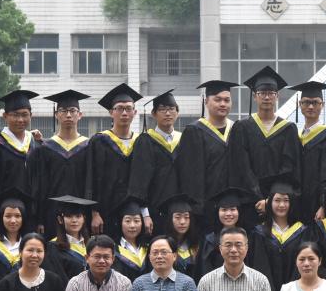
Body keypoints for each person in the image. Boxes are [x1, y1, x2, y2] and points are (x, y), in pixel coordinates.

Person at [230, 66, 302, 222]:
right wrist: (258, 197)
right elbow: (241, 166)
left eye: (271, 93)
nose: (267, 97)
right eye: (262, 93)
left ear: (277, 96)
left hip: (279, 203)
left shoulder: (288, 129)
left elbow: (289, 167)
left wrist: (271, 199)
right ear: (255, 96)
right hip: (249, 202)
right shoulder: (242, 127)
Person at [86, 83, 148, 241]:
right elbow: (91, 178)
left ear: (135, 112)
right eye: (119, 108)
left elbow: (145, 182)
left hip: (133, 215)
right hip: (105, 211)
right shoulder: (99, 141)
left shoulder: (141, 142)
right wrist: (94, 212)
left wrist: (145, 214)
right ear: (111, 112)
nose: (124, 113)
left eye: (128, 108)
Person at [27, 90, 92, 238]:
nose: (68, 115)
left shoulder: (89, 147)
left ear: (80, 115)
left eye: (73, 111)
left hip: (81, 214)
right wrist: (39, 218)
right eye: (63, 111)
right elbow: (39, 186)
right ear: (56, 115)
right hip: (51, 214)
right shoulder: (45, 149)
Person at [177, 80, 239, 232]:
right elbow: (189, 176)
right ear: (206, 101)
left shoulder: (238, 129)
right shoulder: (194, 131)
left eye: (227, 100)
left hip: (234, 208)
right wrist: (196, 209)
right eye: (217, 100)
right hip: (206, 210)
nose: (223, 104)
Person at [0, 89, 40, 231]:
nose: (20, 120)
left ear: (31, 116)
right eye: (15, 115)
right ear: (5, 116)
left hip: (31, 214)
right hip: (4, 215)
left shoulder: (36, 145)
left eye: (24, 115)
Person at [129, 89, 181, 234]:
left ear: (177, 113)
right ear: (153, 114)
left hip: (180, 212)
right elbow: (139, 181)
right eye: (162, 109)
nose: (168, 113)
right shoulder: (145, 141)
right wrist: (145, 214)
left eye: (171, 109)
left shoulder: (184, 140)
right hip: (155, 211)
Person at [288, 80, 326, 222]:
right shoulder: (296, 137)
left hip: (317, 207)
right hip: (296, 204)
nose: (310, 106)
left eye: (315, 102)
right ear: (300, 105)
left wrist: (324, 205)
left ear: (322, 105)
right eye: (306, 102)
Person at [196, 187, 254, 280]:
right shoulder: (210, 240)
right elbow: (205, 270)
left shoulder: (250, 238)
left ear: (239, 211)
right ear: (218, 212)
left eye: (232, 209)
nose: (228, 213)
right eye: (224, 210)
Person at [43, 195, 95, 283]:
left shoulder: (92, 244)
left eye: (78, 216)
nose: (74, 220)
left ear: (84, 219)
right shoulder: (53, 247)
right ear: (60, 219)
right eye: (69, 216)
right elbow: (57, 278)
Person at [159, 194, 201, 277]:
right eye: (177, 217)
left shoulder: (197, 245)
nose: (182, 222)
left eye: (186, 217)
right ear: (170, 220)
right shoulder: (162, 245)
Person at [111, 195, 151, 280]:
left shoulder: (148, 249)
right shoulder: (114, 250)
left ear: (142, 223)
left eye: (136, 221)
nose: (132, 225)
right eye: (128, 221)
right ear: (120, 223)